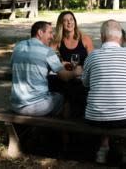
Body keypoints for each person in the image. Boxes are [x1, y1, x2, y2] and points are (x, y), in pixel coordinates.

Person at [10, 21, 82, 117]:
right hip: (37, 107)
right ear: (40, 33)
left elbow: (15, 66)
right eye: (50, 32)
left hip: (16, 105)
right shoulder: (47, 51)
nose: (52, 37)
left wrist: (56, 65)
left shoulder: (18, 46)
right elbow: (64, 77)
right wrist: (75, 72)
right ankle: (63, 130)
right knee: (65, 97)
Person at [82, 19, 126, 164]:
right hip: (122, 118)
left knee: (104, 107)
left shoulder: (92, 56)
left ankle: (103, 148)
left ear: (101, 37)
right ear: (120, 37)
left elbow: (85, 83)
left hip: (94, 118)